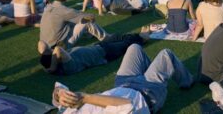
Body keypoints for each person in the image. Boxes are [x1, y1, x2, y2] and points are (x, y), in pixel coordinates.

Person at [51, 44, 193, 113]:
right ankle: (187, 81)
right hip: (147, 94)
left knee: (134, 48)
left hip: (123, 84)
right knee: (166, 54)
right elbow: (126, 104)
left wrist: (59, 94)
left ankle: (152, 73)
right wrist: (84, 98)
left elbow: (56, 98)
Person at [38, 29, 149, 75]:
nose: (52, 50)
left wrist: (48, 67)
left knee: (116, 36)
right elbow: (57, 49)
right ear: (54, 58)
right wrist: (51, 68)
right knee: (128, 43)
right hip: (105, 53)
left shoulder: (60, 60)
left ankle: (139, 35)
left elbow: (41, 43)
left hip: (99, 46)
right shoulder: (67, 65)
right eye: (51, 52)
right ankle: (144, 37)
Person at [40, 0, 109, 48]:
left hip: (44, 46)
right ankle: (106, 38)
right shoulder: (65, 11)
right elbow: (90, 17)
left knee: (73, 21)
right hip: (60, 47)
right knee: (86, 21)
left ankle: (90, 35)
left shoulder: (47, 7)